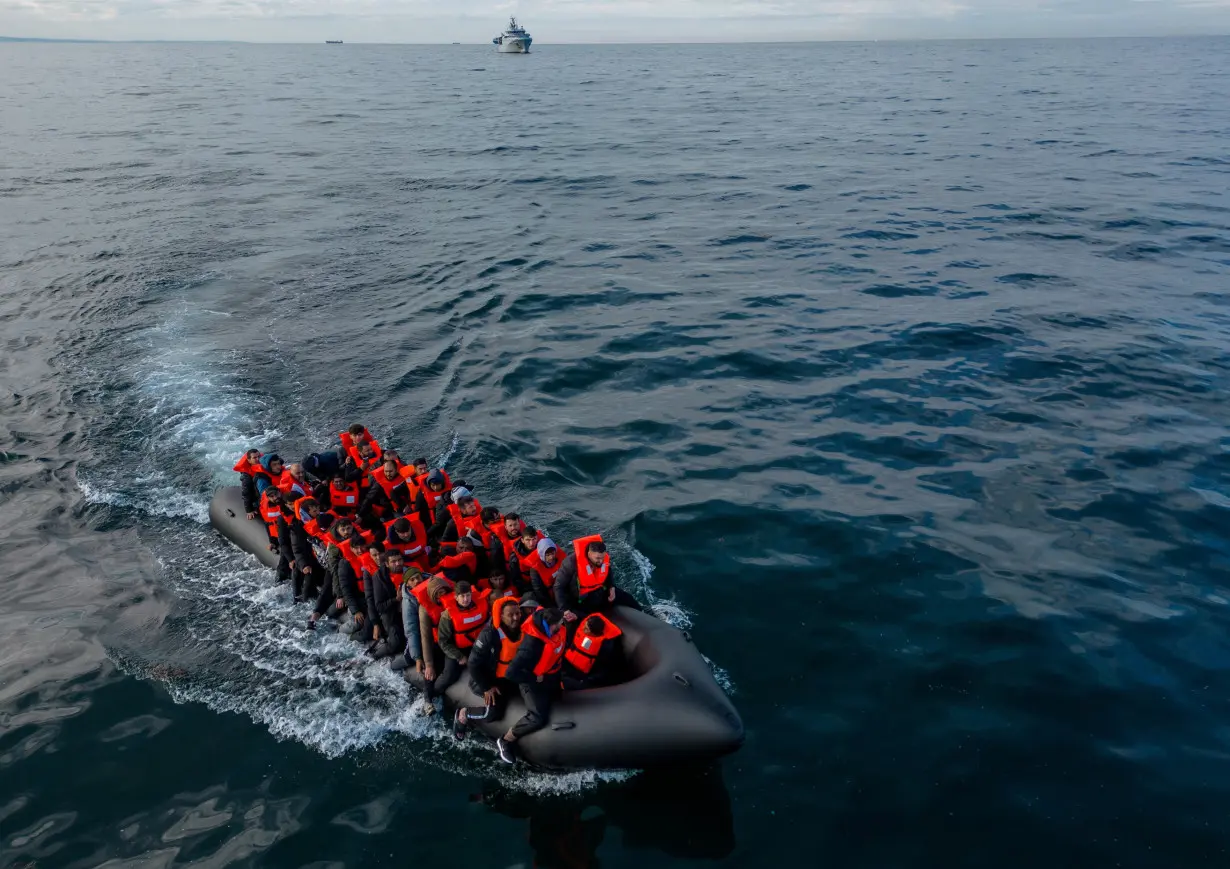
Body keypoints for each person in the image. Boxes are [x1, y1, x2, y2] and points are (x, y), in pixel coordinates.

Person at [496, 607, 567, 764]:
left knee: (561, 694)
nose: (561, 625)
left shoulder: (554, 628)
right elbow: (511, 673)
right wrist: (534, 678)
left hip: (552, 675)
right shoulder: (531, 645)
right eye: (559, 623)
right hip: (532, 682)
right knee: (537, 717)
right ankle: (506, 740)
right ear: (550, 625)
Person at [453, 593, 523, 741]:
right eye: (510, 615)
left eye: (517, 613)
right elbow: (473, 663)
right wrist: (486, 687)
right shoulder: (489, 634)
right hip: (488, 679)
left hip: (508, 675)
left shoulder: (521, 630)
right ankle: (463, 714)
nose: (516, 618)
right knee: (493, 713)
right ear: (501, 616)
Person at [554, 534, 641, 621]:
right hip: (582, 599)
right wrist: (564, 610)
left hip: (601, 591)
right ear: (589, 553)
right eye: (598, 558)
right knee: (585, 619)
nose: (601, 561)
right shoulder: (571, 563)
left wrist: (611, 587)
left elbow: (608, 572)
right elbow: (558, 587)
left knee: (628, 598)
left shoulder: (603, 559)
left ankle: (643, 612)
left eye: (603, 557)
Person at [433, 580, 492, 701]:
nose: (466, 599)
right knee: (449, 675)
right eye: (462, 596)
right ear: (456, 597)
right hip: (457, 649)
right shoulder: (447, 615)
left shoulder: (482, 604)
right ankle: (434, 693)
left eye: (468, 595)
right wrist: (459, 656)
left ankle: (479, 686)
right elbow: (443, 641)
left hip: (478, 646)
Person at [413, 576, 454, 707]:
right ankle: (427, 700)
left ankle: (434, 693)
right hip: (437, 643)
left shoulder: (456, 600)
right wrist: (428, 664)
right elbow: (425, 637)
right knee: (431, 670)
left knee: (450, 672)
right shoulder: (424, 609)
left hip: (454, 643)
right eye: (438, 593)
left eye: (444, 592)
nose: (441, 596)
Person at [277, 495, 325, 603]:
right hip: (307, 559)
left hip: (320, 557)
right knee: (300, 571)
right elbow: (296, 548)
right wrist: (302, 564)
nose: (317, 512)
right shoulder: (297, 526)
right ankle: (298, 597)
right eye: (314, 511)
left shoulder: (323, 520)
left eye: (318, 510)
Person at [561, 613, 624, 691]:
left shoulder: (604, 647)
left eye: (587, 629)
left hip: (583, 673)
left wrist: (589, 680)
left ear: (595, 634)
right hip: (569, 661)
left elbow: (602, 669)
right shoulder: (586, 626)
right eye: (585, 625)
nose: (583, 628)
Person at [365, 549, 406, 660]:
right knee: (396, 644)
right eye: (393, 562)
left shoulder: (409, 571)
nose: (398, 564)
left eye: (399, 560)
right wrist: (396, 599)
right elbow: (379, 606)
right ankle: (373, 656)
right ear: (387, 564)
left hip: (406, 610)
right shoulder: (379, 578)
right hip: (390, 613)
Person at [259, 485, 291, 585]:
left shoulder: (286, 502)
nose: (275, 497)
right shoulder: (266, 506)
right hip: (278, 534)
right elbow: (268, 523)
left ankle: (283, 574)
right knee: (285, 552)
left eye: (276, 494)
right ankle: (281, 574)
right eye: (271, 496)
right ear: (268, 498)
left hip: (289, 531)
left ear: (279, 492)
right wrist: (272, 541)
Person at [234, 448, 264, 518]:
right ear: (249, 460)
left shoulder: (264, 466)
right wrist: (249, 510)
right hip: (256, 499)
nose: (258, 459)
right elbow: (246, 493)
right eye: (254, 458)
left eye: (259, 456)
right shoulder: (246, 477)